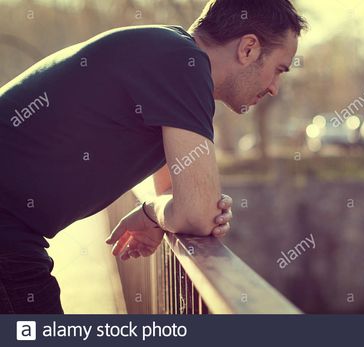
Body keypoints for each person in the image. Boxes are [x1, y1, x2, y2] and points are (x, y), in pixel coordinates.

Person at [0, 0, 307, 313]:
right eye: (278, 70)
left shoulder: (172, 58)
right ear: (249, 49)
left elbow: (178, 196)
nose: (274, 89)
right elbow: (197, 213)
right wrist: (155, 212)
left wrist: (179, 208)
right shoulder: (181, 62)